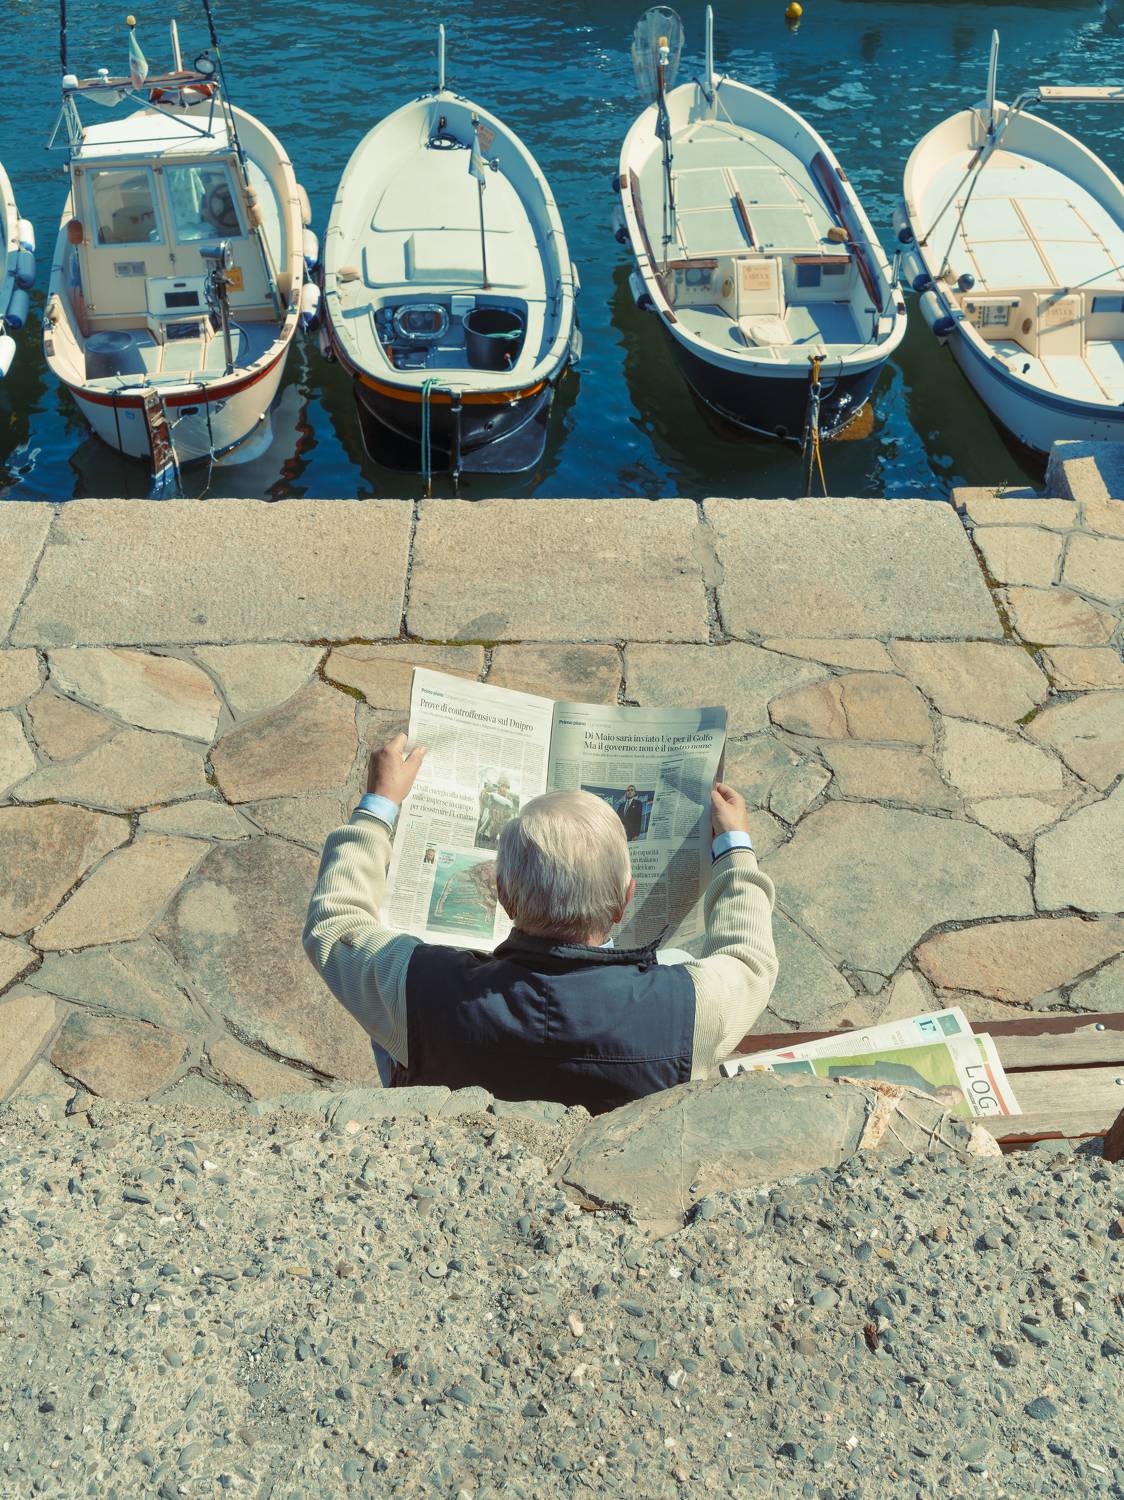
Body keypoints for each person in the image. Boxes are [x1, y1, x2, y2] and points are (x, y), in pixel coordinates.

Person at [303, 734, 778, 1113]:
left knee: (387, 1007)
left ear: (504, 898)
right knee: (678, 965)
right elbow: (748, 956)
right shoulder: (690, 1004)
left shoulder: (423, 987)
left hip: (460, 1120)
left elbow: (335, 922)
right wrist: (734, 845)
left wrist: (378, 804)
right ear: (625, 901)